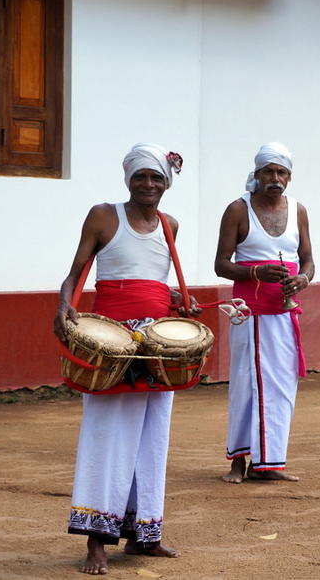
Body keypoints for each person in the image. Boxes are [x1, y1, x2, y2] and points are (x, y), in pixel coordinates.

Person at [54, 143, 196, 574]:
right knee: (107, 435)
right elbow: (77, 271)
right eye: (141, 177)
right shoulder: (103, 215)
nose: (148, 184)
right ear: (128, 179)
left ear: (165, 184)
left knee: (153, 439)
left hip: (155, 346)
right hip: (112, 342)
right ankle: (96, 540)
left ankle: (144, 535)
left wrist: (177, 304)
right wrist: (63, 305)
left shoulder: (170, 225)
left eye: (156, 177)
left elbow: (153, 282)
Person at [214, 142, 315, 483]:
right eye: (268, 171)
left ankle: (270, 462)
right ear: (256, 175)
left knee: (281, 386)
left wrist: (302, 278)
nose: (275, 178)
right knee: (246, 385)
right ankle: (239, 463)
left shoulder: (298, 210)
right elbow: (221, 265)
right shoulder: (237, 210)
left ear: (289, 176)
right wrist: (256, 273)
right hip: (249, 312)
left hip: (284, 313)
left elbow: (308, 260)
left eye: (281, 172)